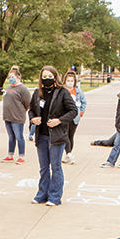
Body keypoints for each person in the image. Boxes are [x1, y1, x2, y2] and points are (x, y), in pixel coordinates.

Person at [28, 66, 78, 206]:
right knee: (43, 167)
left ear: (55, 77)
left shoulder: (62, 92)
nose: (47, 79)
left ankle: (54, 196)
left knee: (55, 167)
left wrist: (59, 120)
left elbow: (73, 110)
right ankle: (42, 194)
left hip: (56, 136)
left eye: (50, 76)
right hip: (42, 135)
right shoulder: (38, 93)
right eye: (44, 76)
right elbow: (31, 110)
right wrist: (33, 119)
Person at [1, 69, 31, 164]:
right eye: (9, 77)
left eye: (12, 77)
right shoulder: (8, 87)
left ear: (18, 77)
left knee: (19, 136)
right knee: (11, 136)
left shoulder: (23, 89)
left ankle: (21, 155)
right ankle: (10, 155)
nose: (11, 79)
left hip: (17, 117)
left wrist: (21, 111)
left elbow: (28, 103)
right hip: (8, 116)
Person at [61, 70, 86, 164]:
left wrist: (81, 113)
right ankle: (68, 153)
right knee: (65, 135)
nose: (70, 82)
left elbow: (84, 102)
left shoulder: (78, 92)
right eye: (68, 80)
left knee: (71, 136)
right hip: (64, 116)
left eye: (72, 80)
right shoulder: (62, 91)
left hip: (74, 117)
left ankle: (68, 153)